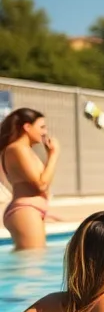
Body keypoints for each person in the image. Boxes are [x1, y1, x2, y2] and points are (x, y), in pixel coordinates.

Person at [1, 107, 58, 250]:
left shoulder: (26, 151)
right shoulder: (16, 149)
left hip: (31, 211)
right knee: (33, 261)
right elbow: (41, 185)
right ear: (27, 127)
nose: (45, 132)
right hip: (25, 210)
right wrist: (53, 155)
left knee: (33, 261)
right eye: (42, 127)